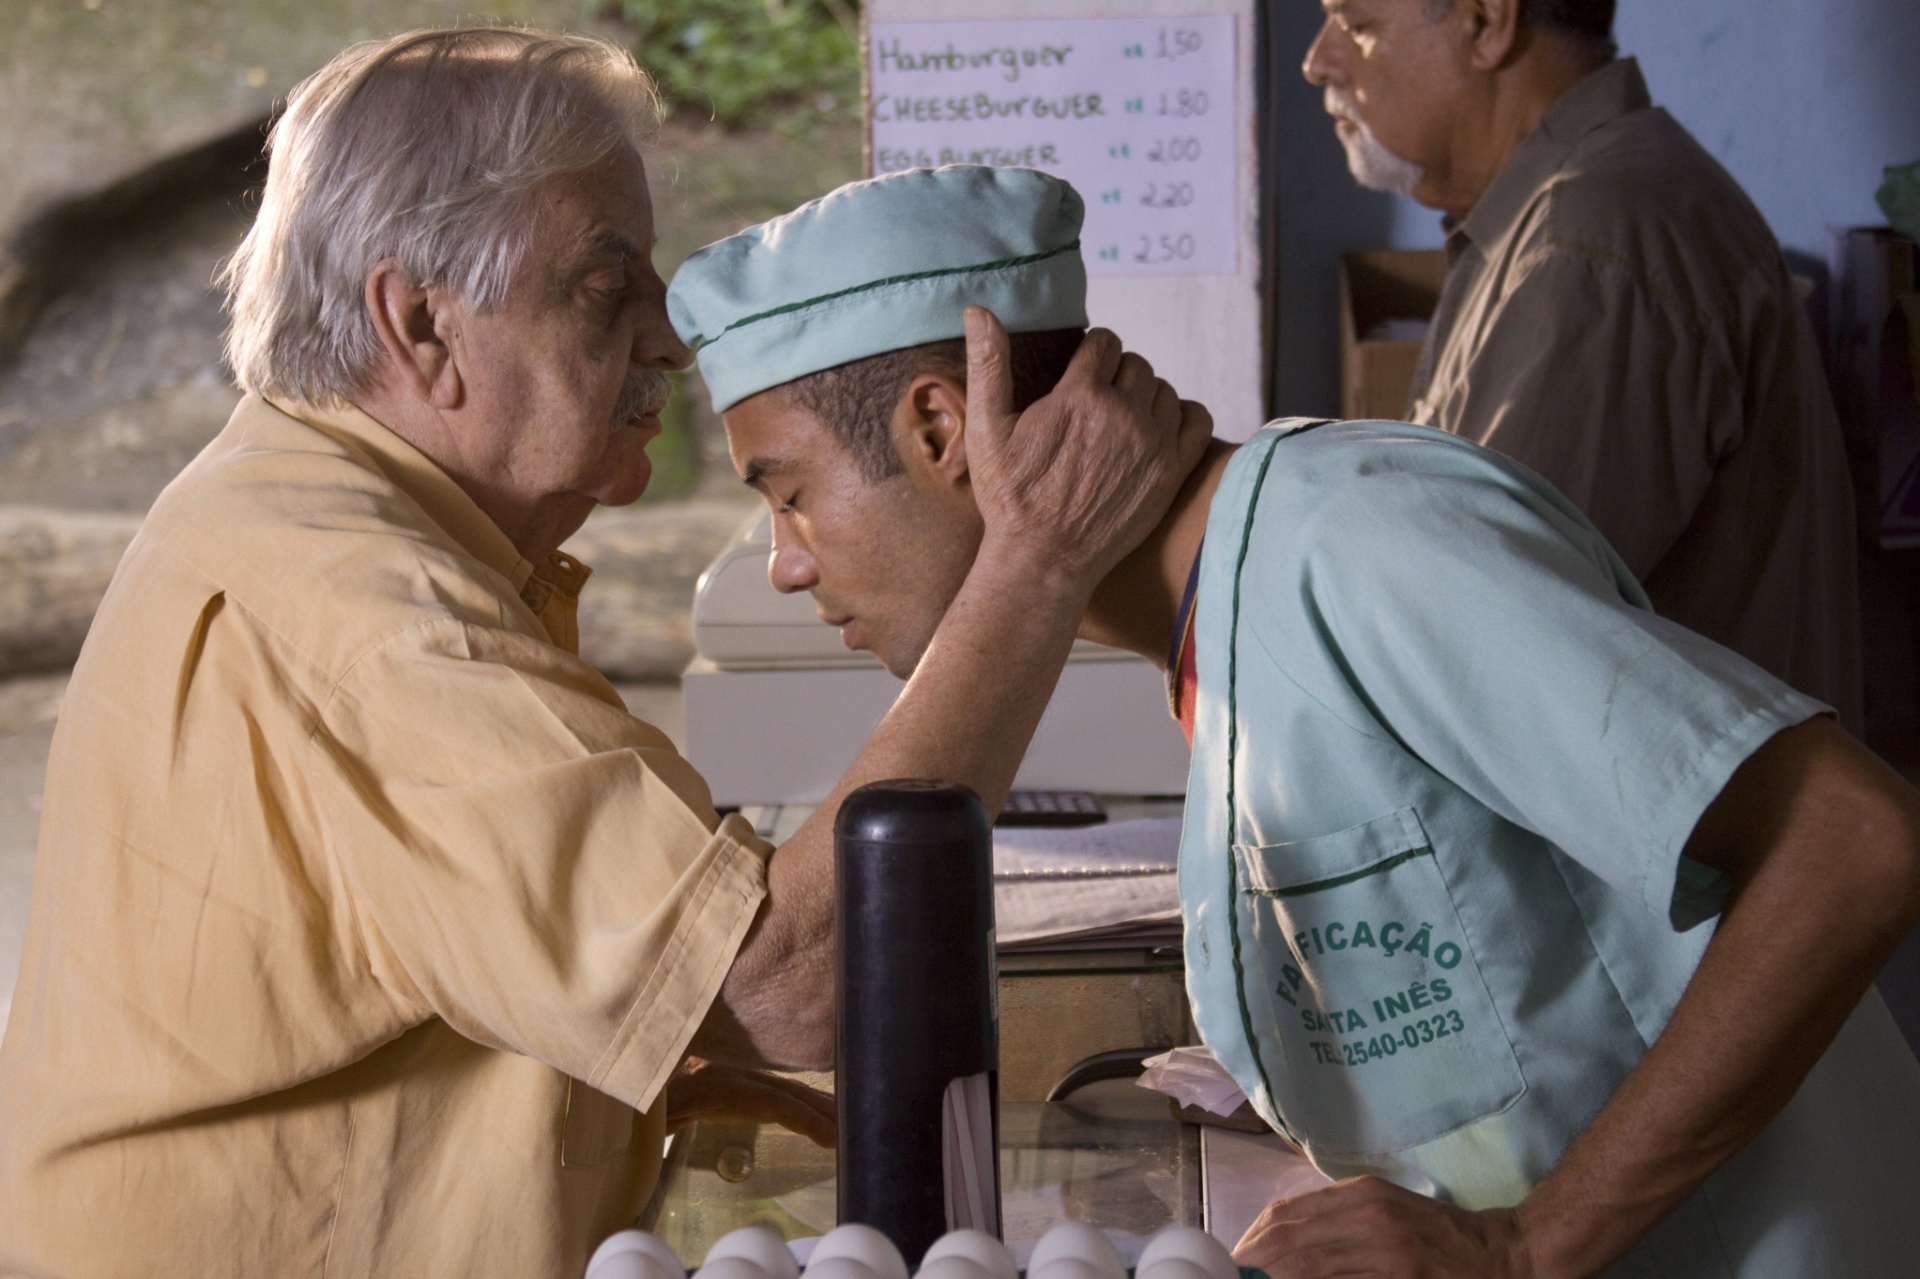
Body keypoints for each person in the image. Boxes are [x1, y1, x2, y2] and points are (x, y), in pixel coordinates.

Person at [0, 34, 1210, 1277]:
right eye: (603, 285)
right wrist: (1035, 566)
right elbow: (790, 990)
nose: (665, 343)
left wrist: (689, 1074)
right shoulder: (366, 609)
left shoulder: (320, 515)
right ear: (419, 321)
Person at [669, 166, 1920, 1277]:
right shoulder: (1223, 626)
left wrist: (1520, 1248)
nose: (783, 562)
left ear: (940, 429)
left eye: (788, 495)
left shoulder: (1352, 539)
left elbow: (1851, 841)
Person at [1303, 0, 1863, 729]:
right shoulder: (1562, 212)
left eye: (1357, 23)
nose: (1319, 60)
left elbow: (1474, 647)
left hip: (1671, 843)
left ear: (1485, 22)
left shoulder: (1594, 238)